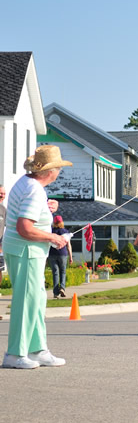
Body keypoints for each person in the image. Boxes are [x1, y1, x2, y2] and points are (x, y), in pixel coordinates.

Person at [3, 145, 71, 369]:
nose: (59, 171)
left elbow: (25, 215)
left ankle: (37, 349)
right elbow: (24, 228)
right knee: (26, 302)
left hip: (24, 250)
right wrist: (53, 237)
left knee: (36, 301)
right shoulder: (34, 190)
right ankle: (15, 353)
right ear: (50, 171)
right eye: (58, 167)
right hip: (27, 250)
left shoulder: (27, 184)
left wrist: (47, 206)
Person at [48, 215, 73, 299]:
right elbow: (68, 245)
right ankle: (62, 288)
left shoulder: (50, 231)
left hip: (52, 254)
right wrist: (70, 257)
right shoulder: (65, 232)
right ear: (62, 222)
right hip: (62, 254)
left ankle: (55, 293)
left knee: (55, 273)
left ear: (54, 222)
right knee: (63, 272)